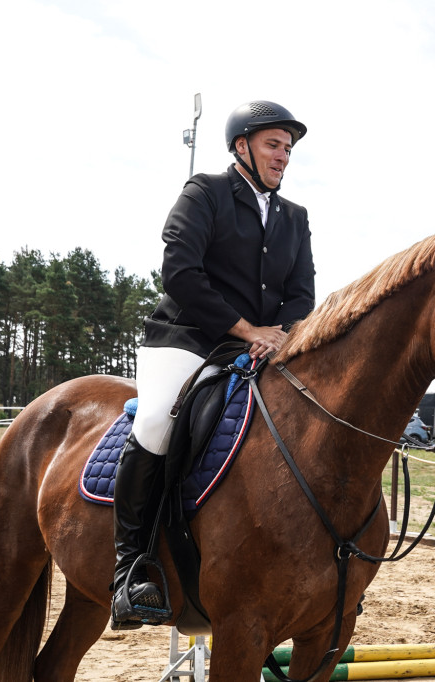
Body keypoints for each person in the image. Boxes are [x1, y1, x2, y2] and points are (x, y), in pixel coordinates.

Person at [111, 100, 316, 628]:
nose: (283, 157)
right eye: (274, 145)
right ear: (241, 146)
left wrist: (278, 337)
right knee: (157, 420)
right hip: (187, 338)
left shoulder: (295, 217)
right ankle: (130, 569)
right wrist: (246, 330)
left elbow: (301, 295)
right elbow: (179, 272)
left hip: (264, 347)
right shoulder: (205, 192)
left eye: (288, 149)